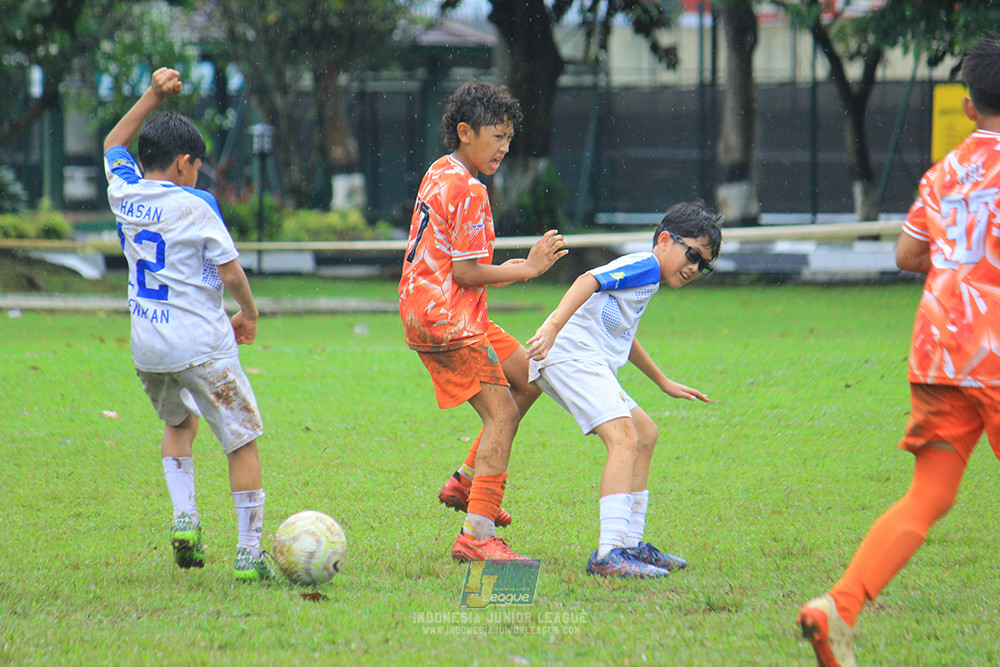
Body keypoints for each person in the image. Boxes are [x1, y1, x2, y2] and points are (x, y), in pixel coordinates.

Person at [797, 38, 1000, 667]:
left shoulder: (944, 172)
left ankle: (838, 606)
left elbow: (908, 255)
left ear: (968, 107)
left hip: (940, 351)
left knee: (928, 496)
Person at [104, 67, 272, 582]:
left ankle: (185, 519)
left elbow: (114, 141)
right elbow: (230, 271)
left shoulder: (124, 191)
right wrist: (249, 311)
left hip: (148, 346)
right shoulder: (196, 203)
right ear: (184, 163)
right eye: (197, 165)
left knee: (179, 424)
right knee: (241, 440)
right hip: (202, 344)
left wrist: (151, 96)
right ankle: (248, 553)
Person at [399, 80, 567, 562]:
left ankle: (466, 483)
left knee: (530, 377)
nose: (505, 148)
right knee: (504, 414)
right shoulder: (469, 188)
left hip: (438, 308)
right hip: (446, 317)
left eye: (509, 138)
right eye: (497, 137)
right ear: (465, 132)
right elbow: (467, 272)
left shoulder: (440, 170)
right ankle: (476, 535)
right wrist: (528, 269)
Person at [525, 202, 721, 578]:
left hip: (582, 359)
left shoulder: (648, 280)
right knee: (625, 438)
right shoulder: (645, 266)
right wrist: (551, 328)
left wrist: (662, 381)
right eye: (692, 254)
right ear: (665, 240)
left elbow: (622, 334)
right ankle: (609, 553)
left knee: (645, 432)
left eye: (704, 263)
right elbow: (587, 280)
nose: (695, 267)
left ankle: (631, 544)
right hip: (570, 356)